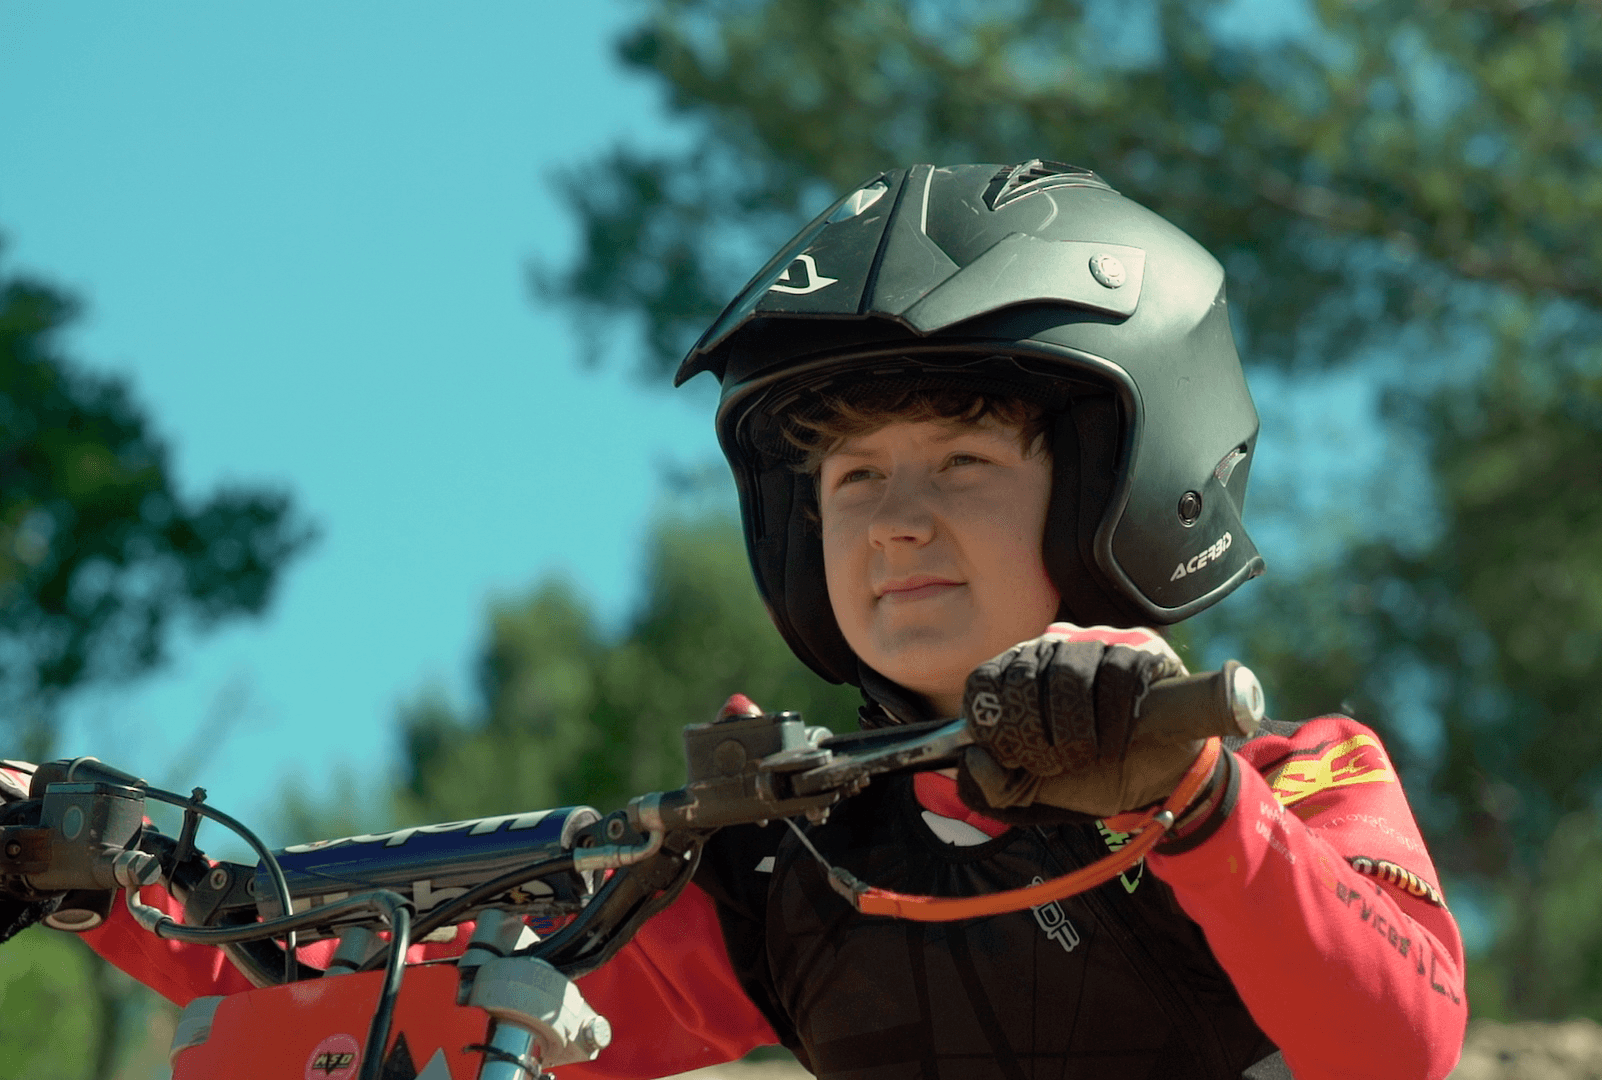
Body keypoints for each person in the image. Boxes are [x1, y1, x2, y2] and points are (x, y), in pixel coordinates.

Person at [4, 161, 1467, 1079]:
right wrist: (88, 867)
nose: (896, 519)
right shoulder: (791, 865)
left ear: (1126, 489)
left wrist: (1193, 804)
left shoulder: (1292, 774)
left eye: (964, 462)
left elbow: (1394, 1042)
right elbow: (402, 985)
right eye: (850, 481)